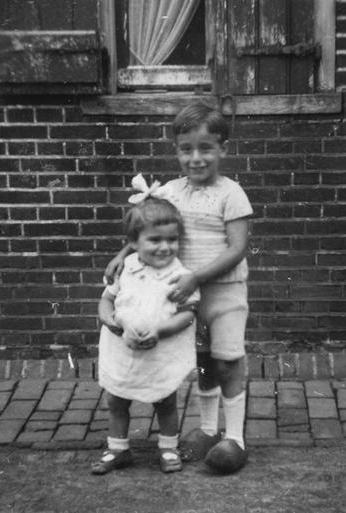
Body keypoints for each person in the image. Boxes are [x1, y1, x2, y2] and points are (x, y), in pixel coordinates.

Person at [105, 102, 253, 474]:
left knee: (227, 359)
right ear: (177, 150)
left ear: (223, 149)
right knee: (202, 360)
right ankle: (206, 428)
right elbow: (147, 225)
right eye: (187, 149)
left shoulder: (230, 193)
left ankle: (234, 437)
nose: (196, 158)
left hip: (224, 294)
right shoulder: (170, 191)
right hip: (186, 295)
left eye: (206, 148)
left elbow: (237, 249)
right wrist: (124, 253)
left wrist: (196, 278)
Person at [92, 196, 200, 475]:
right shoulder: (125, 268)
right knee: (116, 400)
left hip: (160, 350)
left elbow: (187, 314)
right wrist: (109, 320)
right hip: (123, 348)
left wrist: (160, 330)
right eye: (155, 240)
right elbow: (106, 301)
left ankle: (168, 447)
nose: (165, 247)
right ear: (134, 241)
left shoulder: (181, 275)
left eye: (172, 240)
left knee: (164, 400)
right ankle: (118, 449)